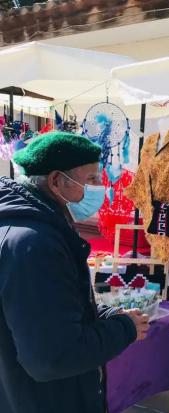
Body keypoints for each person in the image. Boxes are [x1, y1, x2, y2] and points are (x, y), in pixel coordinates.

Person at [0, 131, 150, 413]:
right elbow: (53, 357)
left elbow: (53, 315)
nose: (100, 188)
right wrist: (124, 329)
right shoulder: (34, 244)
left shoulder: (36, 227)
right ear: (57, 181)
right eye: (92, 179)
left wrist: (106, 316)